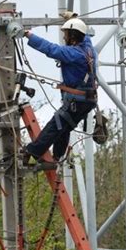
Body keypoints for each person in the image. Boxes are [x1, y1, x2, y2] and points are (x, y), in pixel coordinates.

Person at [22, 14, 98, 164]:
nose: (64, 38)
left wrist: (28, 35)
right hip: (87, 100)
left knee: (57, 123)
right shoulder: (88, 47)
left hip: (78, 100)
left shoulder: (74, 54)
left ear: (73, 36)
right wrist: (74, 18)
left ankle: (32, 151)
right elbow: (85, 34)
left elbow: (50, 49)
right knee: (65, 125)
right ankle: (56, 156)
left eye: (66, 34)